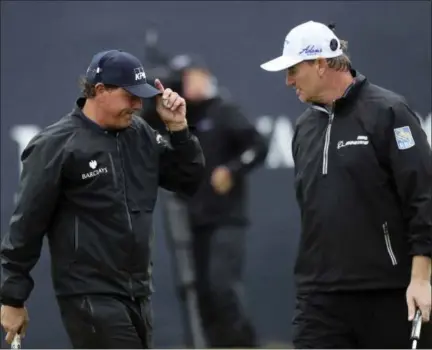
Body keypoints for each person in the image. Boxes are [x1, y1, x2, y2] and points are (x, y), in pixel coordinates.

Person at [0, 49, 205, 348]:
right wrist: (11, 298)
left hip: (138, 292)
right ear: (100, 91)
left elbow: (188, 180)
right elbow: (26, 226)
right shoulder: (55, 145)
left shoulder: (141, 134)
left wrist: (178, 129)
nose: (137, 105)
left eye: (141, 97)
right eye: (130, 96)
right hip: (88, 294)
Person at [260, 21, 432, 349]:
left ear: (322, 63)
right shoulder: (303, 127)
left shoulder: (389, 112)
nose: (288, 81)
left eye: (294, 69)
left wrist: (421, 280)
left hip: (389, 293)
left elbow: (423, 198)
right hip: (319, 297)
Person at [143, 55, 268, 348]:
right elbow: (146, 121)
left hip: (226, 218)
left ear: (207, 76)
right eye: (185, 78)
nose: (190, 83)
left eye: (195, 76)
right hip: (195, 220)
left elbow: (258, 145)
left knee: (222, 287)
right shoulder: (185, 116)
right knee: (202, 294)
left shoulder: (225, 110)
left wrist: (232, 170)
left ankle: (243, 345)